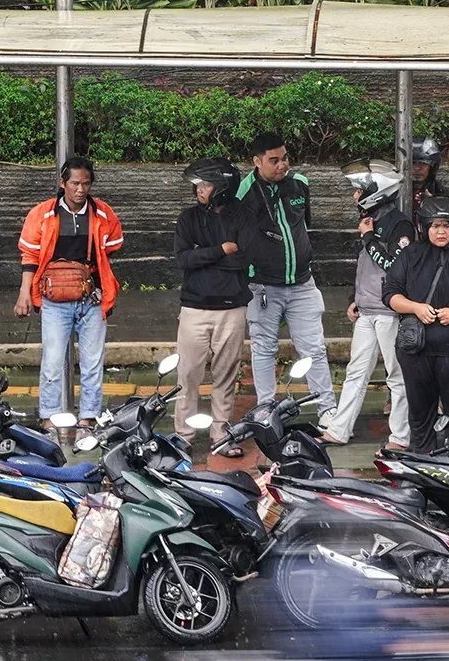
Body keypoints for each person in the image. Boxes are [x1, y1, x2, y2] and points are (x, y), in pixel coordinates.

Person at [15, 156, 124, 444]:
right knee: (51, 361)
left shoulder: (103, 214)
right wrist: (25, 292)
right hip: (53, 300)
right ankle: (48, 417)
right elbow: (30, 257)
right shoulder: (42, 214)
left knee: (92, 362)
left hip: (91, 297)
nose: (80, 189)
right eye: (74, 183)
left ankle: (88, 418)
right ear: (62, 183)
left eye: (86, 184)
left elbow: (111, 248)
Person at [235, 131, 336, 424]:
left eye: (285, 158)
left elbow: (305, 225)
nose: (282, 165)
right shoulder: (243, 193)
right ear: (256, 162)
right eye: (274, 160)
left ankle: (326, 408)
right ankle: (267, 408)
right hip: (263, 286)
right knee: (264, 349)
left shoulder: (300, 184)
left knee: (314, 348)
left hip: (303, 283)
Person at [383, 196, 449, 454]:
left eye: (446, 225)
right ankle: (421, 462)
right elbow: (390, 294)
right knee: (419, 412)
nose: (440, 231)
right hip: (416, 349)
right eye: (434, 226)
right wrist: (415, 308)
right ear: (424, 227)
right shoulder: (410, 256)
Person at [319, 159, 412, 451]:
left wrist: (369, 238)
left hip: (390, 312)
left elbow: (394, 265)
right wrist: (354, 299)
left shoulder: (399, 224)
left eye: (359, 190)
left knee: (397, 376)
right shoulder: (371, 222)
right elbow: (367, 269)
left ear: (377, 191)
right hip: (368, 310)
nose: (354, 196)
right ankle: (338, 429)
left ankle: (400, 436)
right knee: (355, 371)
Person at [172, 157, 250, 456]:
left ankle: (221, 434)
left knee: (226, 376)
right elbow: (184, 259)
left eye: (205, 185)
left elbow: (245, 258)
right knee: (188, 376)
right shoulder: (188, 218)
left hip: (232, 307)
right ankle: (184, 435)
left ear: (222, 187)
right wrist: (221, 250)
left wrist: (202, 254)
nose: (199, 190)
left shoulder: (243, 217)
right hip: (194, 307)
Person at [411, 135, 449, 211]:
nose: (417, 168)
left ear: (432, 167)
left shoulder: (439, 191)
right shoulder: (395, 192)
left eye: (422, 163)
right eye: (413, 163)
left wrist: (432, 203)